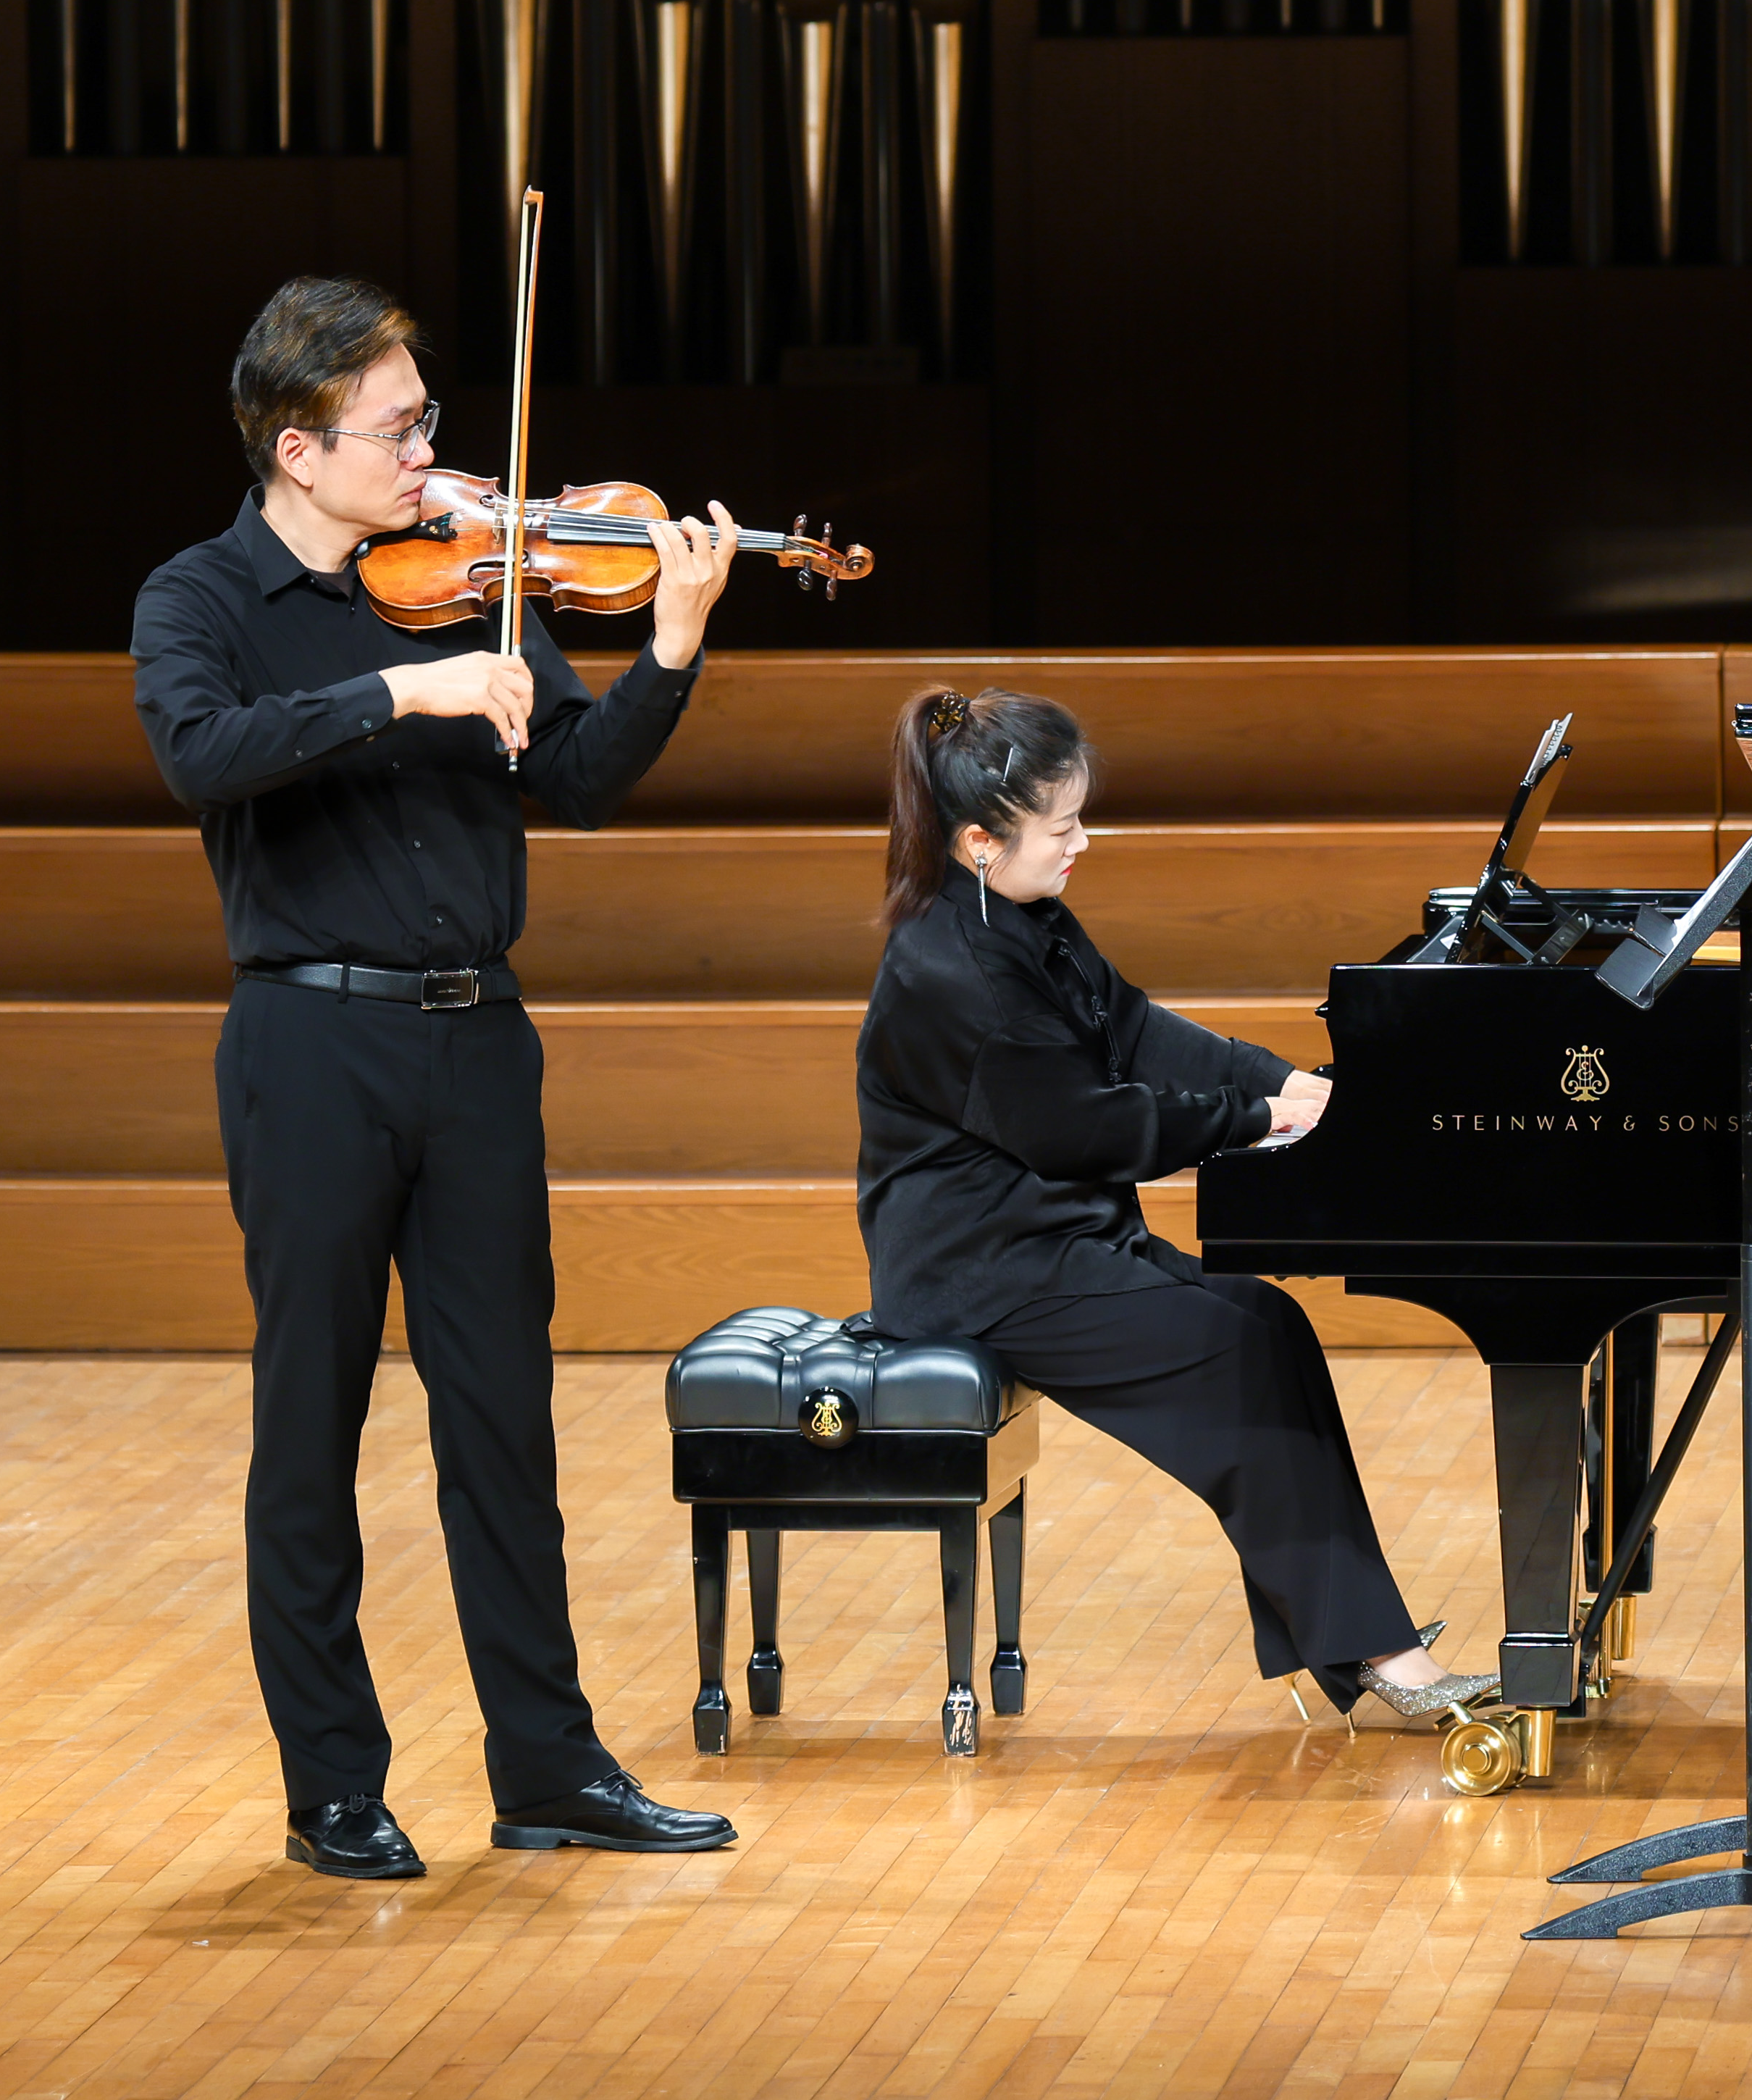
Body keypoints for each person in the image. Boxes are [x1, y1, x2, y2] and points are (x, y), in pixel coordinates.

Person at [133, 275, 746, 1881]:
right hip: (309, 1046)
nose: (430, 459)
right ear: (297, 448)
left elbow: (578, 780)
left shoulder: (474, 579)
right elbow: (202, 754)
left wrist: (669, 651)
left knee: (502, 1422)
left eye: (429, 426)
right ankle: (333, 1784)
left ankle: (549, 1767)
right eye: (397, 432)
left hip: (476, 1040)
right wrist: (402, 691)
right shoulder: (201, 597)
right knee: (311, 1420)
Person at [853, 686, 1497, 1725]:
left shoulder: (1021, 918)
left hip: (1051, 1238)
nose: (1081, 843)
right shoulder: (954, 971)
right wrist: (1257, 1118)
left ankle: (1348, 1642)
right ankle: (1377, 1655)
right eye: (1061, 828)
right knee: (1235, 1353)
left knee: (1268, 1322)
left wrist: (1291, 1082)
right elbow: (1084, 1131)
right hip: (981, 1274)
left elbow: (1140, 1030)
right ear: (979, 843)